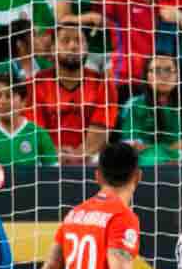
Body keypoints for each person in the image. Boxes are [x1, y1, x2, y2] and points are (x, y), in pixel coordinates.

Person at [25, 24, 118, 165]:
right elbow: (37, 133)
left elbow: (99, 135)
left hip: (90, 159)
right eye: (65, 41)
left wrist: (79, 155)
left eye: (79, 41)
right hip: (47, 158)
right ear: (52, 49)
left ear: (87, 48)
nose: (73, 46)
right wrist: (56, 154)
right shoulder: (35, 85)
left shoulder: (103, 85)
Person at [117, 55, 182, 166]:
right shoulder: (135, 105)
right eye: (156, 70)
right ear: (147, 76)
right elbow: (132, 145)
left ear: (177, 76)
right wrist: (172, 147)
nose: (163, 76)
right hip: (149, 163)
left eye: (168, 70)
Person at [0, 74, 58, 166]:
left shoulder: (38, 133)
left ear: (23, 102)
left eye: (9, 96)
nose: (3, 101)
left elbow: (53, 171)